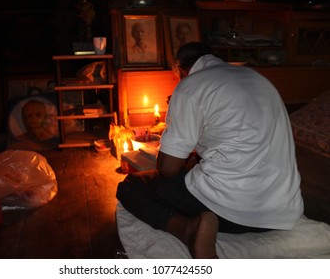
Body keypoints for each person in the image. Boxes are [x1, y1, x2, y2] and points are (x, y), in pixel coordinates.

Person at [116, 42, 304, 258]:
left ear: (180, 69)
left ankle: (187, 230)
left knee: (130, 186)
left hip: (233, 212)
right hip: (281, 211)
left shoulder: (190, 86)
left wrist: (177, 114)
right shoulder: (257, 78)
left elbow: (167, 169)